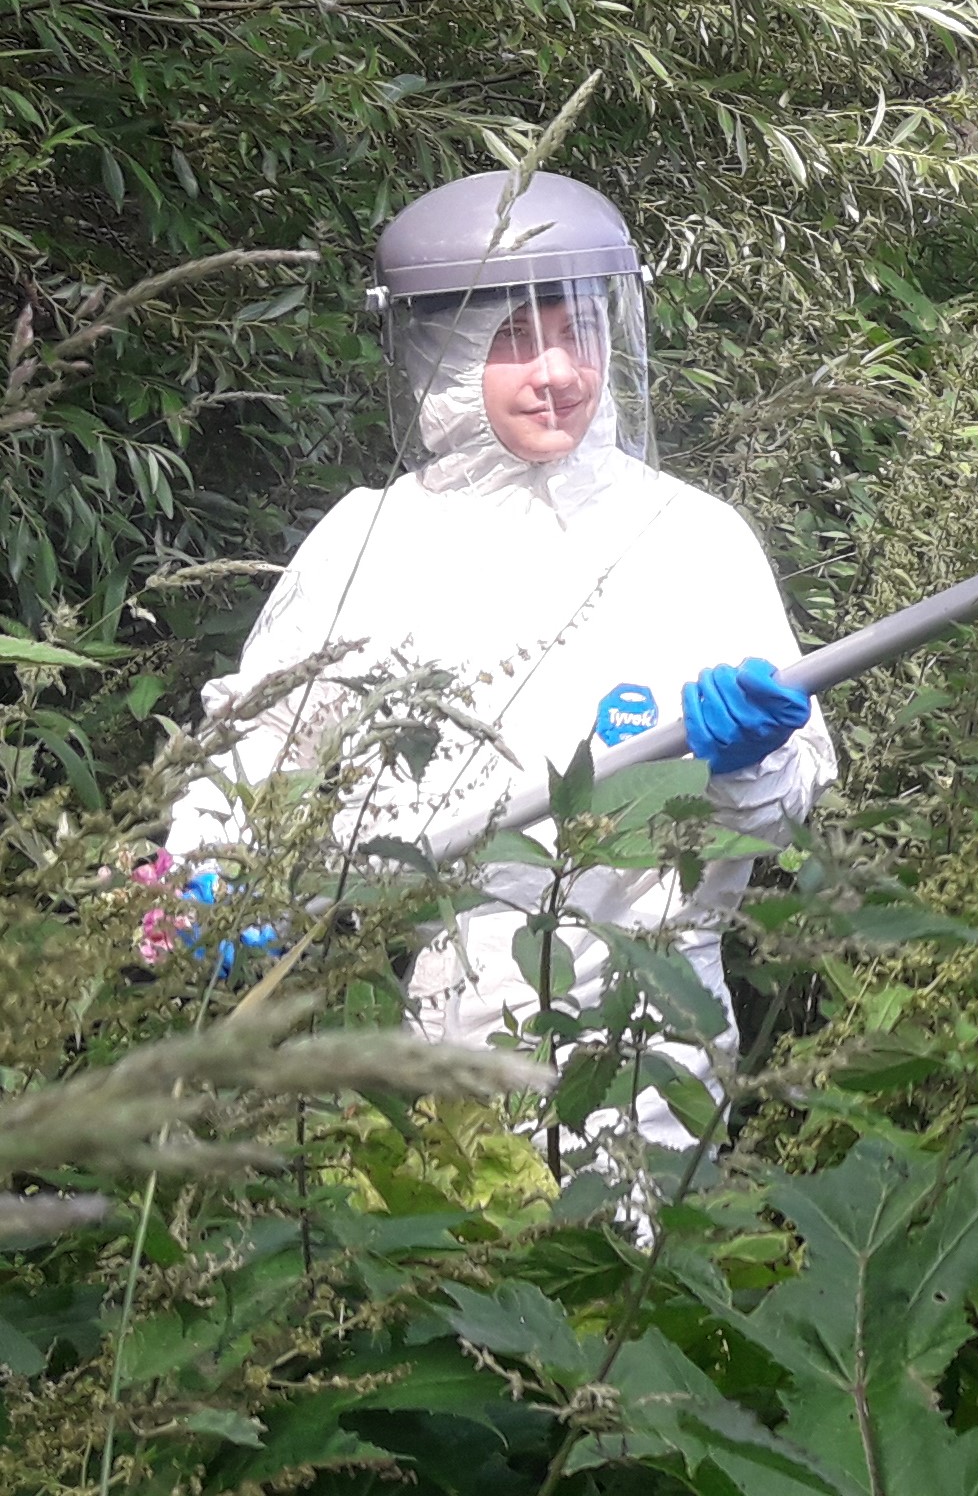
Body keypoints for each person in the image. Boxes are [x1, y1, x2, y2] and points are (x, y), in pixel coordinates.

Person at [164, 171, 835, 1153]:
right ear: (442, 355)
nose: (557, 372)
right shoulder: (372, 543)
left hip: (652, 1040)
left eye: (577, 332)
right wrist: (208, 876)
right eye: (515, 342)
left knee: (632, 1281)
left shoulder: (690, 537)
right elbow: (259, 747)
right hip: (434, 1033)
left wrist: (754, 761)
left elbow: (782, 812)